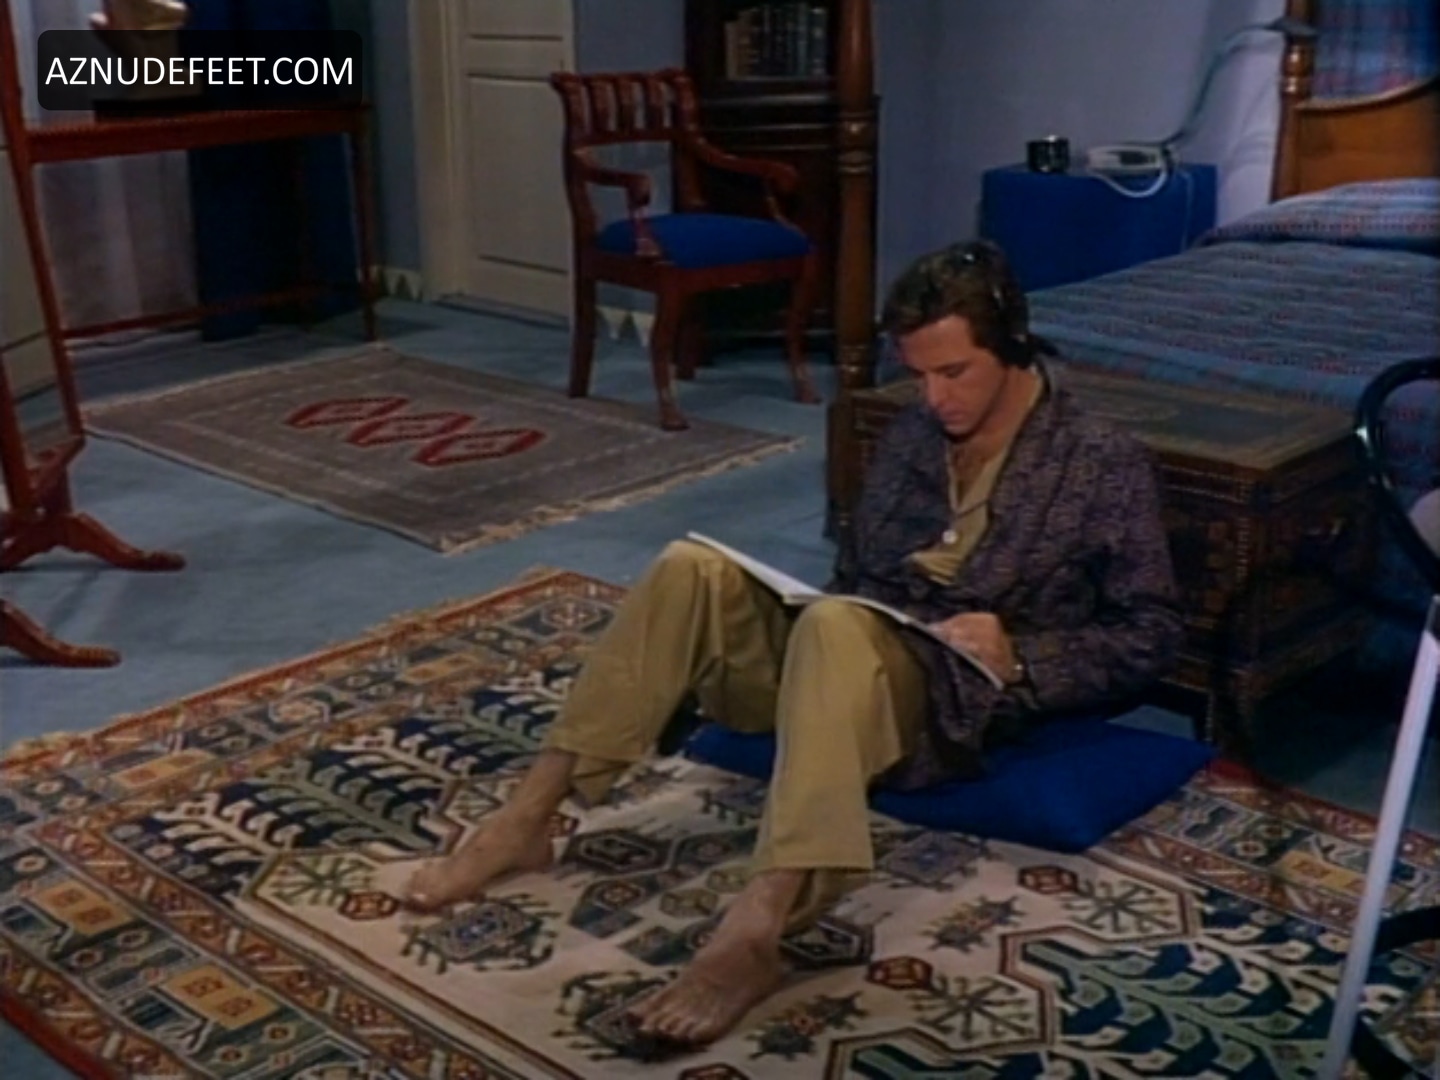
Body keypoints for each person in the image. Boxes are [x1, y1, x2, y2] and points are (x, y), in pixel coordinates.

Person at [401, 239, 1185, 1050]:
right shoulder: (915, 430)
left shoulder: (1099, 459)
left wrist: (1019, 652)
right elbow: (856, 569)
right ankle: (527, 818)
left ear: (1012, 346)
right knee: (692, 569)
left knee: (839, 627)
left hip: (948, 701)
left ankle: (756, 929)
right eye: (918, 374)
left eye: (955, 373)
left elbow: (1153, 634)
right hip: (844, 662)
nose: (934, 397)